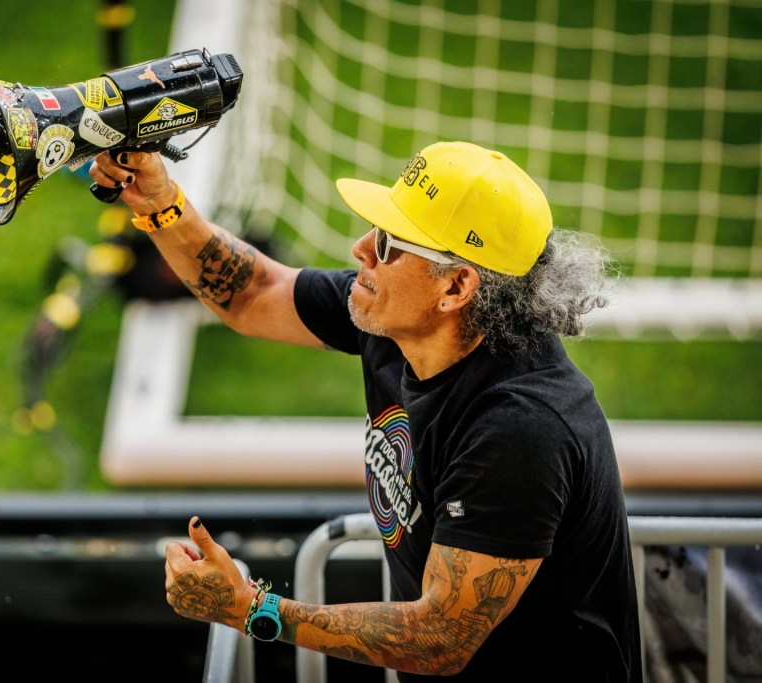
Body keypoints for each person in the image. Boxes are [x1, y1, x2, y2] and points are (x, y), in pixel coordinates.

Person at [89, 140, 642, 681]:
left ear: (456, 287)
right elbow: (253, 292)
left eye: (388, 242)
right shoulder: (398, 322)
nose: (361, 249)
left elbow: (440, 638)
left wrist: (249, 609)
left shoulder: (521, 428)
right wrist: (161, 203)